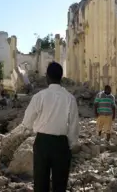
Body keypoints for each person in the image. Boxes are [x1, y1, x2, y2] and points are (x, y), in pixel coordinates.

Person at [21, 62, 79, 192]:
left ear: (47, 77)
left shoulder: (39, 97)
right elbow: (74, 126)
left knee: (41, 183)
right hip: (61, 144)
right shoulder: (70, 98)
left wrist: (32, 127)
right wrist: (69, 145)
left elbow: (26, 122)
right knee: (60, 185)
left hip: (42, 143)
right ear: (61, 77)